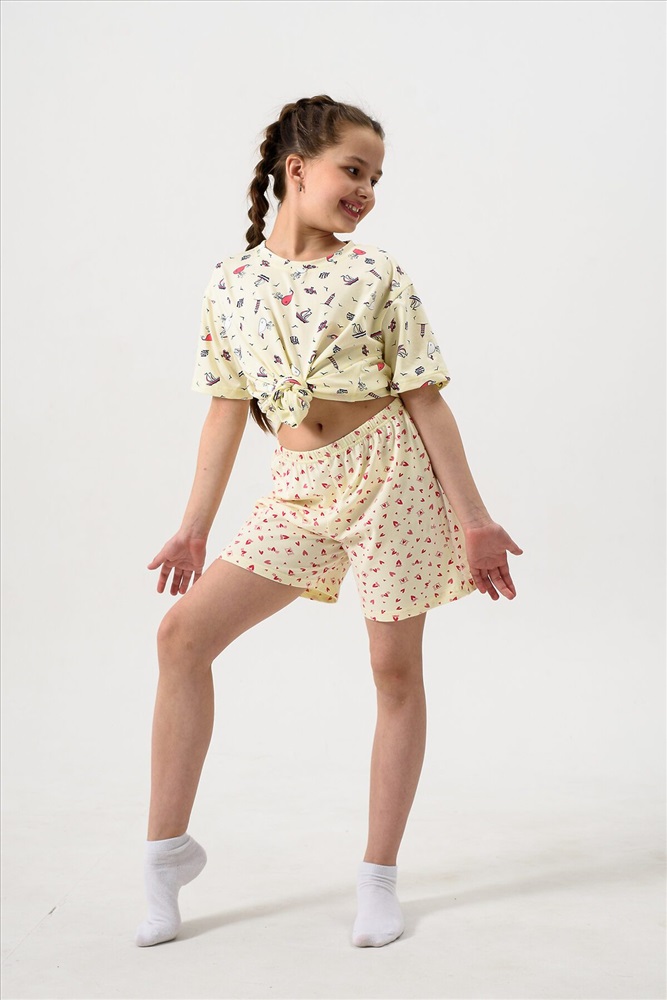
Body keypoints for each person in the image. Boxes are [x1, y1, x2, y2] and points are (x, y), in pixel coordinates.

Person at [135, 94, 523, 950]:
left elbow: (425, 399)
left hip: (393, 479)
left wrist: (475, 520)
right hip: (299, 489)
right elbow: (225, 409)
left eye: (376, 177)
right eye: (354, 170)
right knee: (181, 637)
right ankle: (165, 857)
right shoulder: (231, 282)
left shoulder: (376, 272)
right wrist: (195, 526)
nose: (366, 190)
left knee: (392, 670)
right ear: (296, 168)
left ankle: (378, 878)